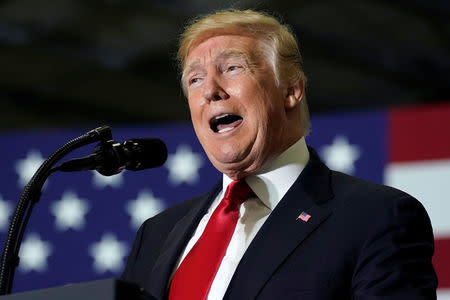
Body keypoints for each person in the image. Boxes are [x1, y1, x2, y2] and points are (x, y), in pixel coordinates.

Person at [121, 9, 437, 299]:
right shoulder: (156, 235)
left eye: (232, 67)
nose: (210, 91)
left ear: (291, 91)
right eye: (195, 79)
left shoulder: (375, 218)